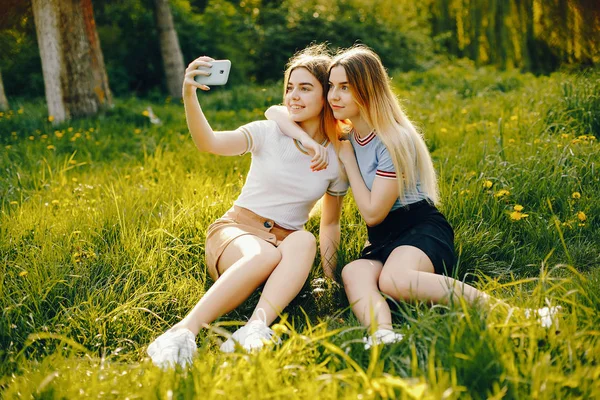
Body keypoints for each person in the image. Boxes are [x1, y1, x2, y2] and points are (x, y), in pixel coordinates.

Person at [266, 45, 501, 348]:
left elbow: (373, 213)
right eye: (331, 87)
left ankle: (511, 312)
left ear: (367, 90)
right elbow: (274, 111)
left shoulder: (393, 140)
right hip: (382, 239)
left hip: (419, 229)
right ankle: (383, 334)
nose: (333, 96)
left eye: (345, 88)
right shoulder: (349, 136)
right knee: (354, 271)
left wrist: (348, 160)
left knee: (394, 280)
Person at [147, 45, 348, 369]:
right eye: (289, 88)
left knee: (304, 239)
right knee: (264, 254)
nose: (293, 96)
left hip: (285, 242)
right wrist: (189, 95)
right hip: (237, 232)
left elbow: (329, 224)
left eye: (305, 88)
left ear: (326, 94)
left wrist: (330, 281)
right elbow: (209, 143)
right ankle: (182, 331)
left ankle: (254, 329)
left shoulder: (337, 159)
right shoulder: (267, 132)